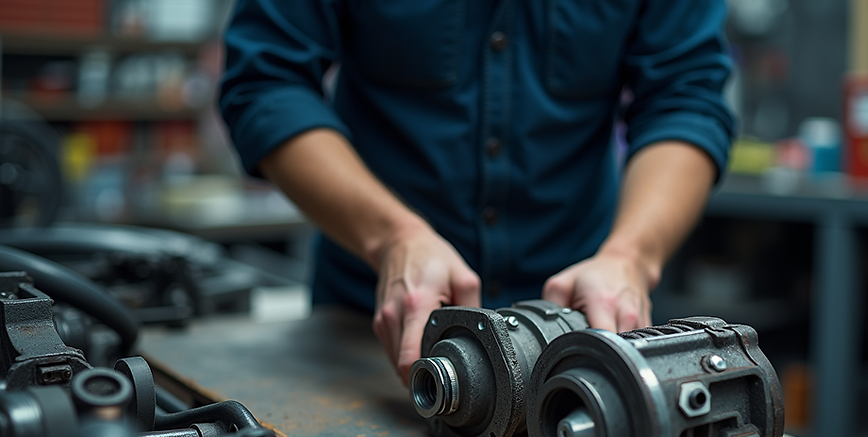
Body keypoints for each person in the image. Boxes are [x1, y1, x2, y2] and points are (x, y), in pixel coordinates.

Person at [219, 0, 735, 384]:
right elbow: (267, 82)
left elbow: (685, 98)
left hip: (579, 329)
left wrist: (630, 256)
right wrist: (393, 236)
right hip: (372, 328)